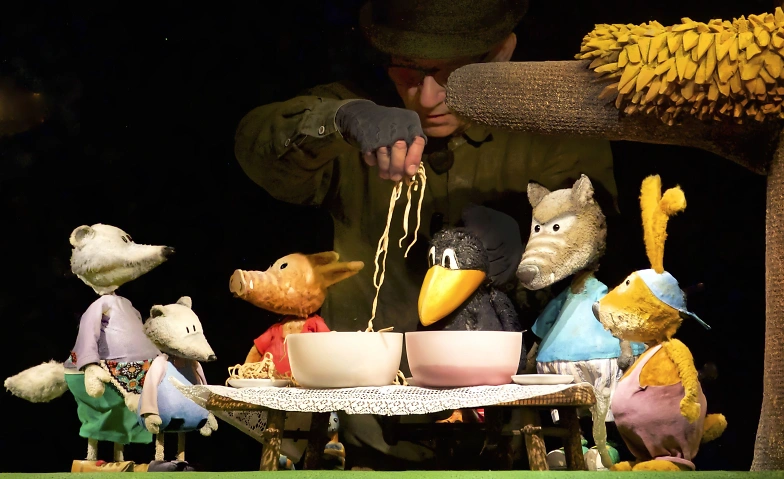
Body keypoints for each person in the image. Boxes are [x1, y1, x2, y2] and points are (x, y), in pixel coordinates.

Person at [234, 0, 618, 470]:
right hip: (366, 436)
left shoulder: (551, 127)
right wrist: (341, 120)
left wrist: (523, 248)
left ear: (501, 53)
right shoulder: (357, 117)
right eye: (409, 73)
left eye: (453, 75)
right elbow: (255, 144)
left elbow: (595, 236)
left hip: (513, 433)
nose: (428, 96)